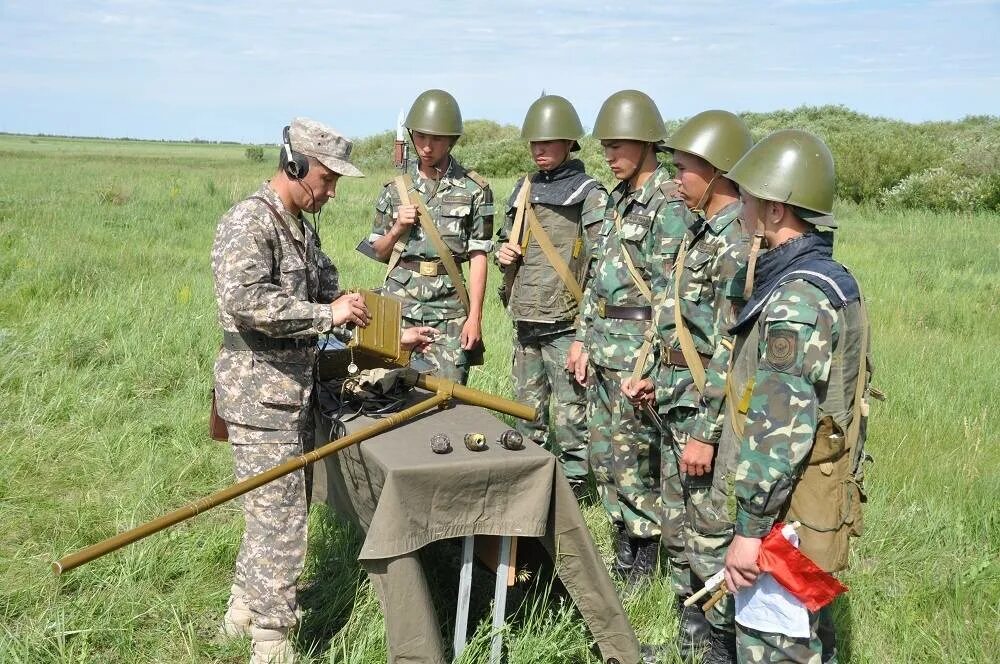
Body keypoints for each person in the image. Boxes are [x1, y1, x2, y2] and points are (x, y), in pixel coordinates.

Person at [212, 118, 434, 664]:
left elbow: (338, 295)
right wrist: (324, 315)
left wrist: (389, 334)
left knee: (273, 509)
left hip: (296, 391)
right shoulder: (250, 222)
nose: (332, 192)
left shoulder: (301, 228)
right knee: (281, 515)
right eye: (328, 179)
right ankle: (271, 637)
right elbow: (243, 301)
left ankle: (244, 609)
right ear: (295, 165)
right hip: (261, 396)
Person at [710, 129, 873, 663]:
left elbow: (779, 434)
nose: (741, 208)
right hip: (805, 500)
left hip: (785, 513)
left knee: (773, 644)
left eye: (750, 198)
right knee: (806, 639)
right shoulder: (827, 278)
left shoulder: (796, 301)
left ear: (776, 210)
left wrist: (750, 532)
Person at [621, 110, 753, 662]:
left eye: (685, 169)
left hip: (703, 418)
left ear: (718, 171)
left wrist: (706, 432)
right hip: (675, 402)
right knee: (680, 535)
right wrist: (653, 375)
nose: (676, 180)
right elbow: (676, 318)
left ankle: (717, 652)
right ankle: (689, 649)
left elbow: (730, 349)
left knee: (710, 540)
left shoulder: (734, 246)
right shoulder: (699, 233)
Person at [569, 90, 695, 581]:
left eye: (619, 145)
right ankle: (622, 531)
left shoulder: (669, 203)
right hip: (603, 344)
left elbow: (673, 293)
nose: (609, 155)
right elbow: (596, 276)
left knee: (635, 456)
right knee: (604, 453)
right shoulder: (613, 199)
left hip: (638, 354)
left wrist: (649, 361)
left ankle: (642, 554)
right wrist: (581, 336)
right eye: (605, 146)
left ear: (647, 144)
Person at [494, 95, 608, 494]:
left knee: (572, 413)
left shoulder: (590, 194)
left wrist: (585, 332)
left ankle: (576, 484)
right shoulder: (522, 188)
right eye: (533, 143)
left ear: (568, 142)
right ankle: (531, 478)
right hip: (525, 316)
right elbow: (503, 239)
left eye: (548, 142)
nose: (539, 150)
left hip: (565, 321)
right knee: (527, 410)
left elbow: (603, 263)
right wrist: (500, 252)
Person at [365, 89, 494, 385]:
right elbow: (378, 251)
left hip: (449, 311)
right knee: (388, 392)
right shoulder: (394, 190)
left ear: (451, 139)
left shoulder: (474, 189)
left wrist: (475, 317)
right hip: (399, 307)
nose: (426, 146)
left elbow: (478, 256)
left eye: (436, 138)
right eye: (420, 137)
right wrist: (397, 228)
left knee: (448, 395)